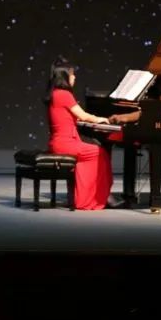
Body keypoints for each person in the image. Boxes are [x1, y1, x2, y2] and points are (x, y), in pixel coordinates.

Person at [43, 57, 117, 210]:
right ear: (64, 76)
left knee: (99, 152)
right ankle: (93, 197)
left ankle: (102, 194)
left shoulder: (55, 93)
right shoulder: (64, 94)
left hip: (59, 142)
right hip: (65, 144)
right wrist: (101, 119)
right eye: (72, 74)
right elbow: (83, 115)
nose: (74, 77)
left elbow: (71, 118)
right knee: (99, 153)